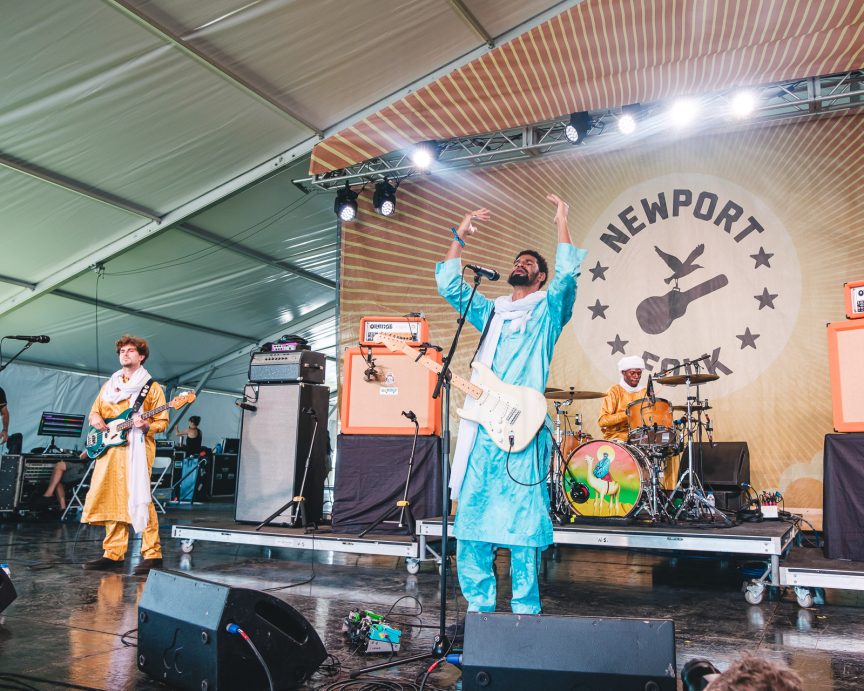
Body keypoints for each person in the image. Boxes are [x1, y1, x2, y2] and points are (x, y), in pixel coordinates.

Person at [435, 194, 586, 614]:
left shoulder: (548, 312)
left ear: (540, 278)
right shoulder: (493, 313)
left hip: (525, 430)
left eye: (529, 263)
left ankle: (524, 615)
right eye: (516, 260)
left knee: (522, 528)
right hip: (485, 433)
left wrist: (561, 221)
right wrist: (458, 236)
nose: (519, 264)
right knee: (473, 526)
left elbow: (569, 275)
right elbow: (450, 285)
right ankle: (479, 612)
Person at [81, 335, 168, 574]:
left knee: (140, 497)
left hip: (136, 449)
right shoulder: (109, 385)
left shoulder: (152, 387)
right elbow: (94, 412)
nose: (125, 354)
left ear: (141, 356)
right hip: (109, 450)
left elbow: (162, 422)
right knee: (111, 497)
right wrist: (96, 418)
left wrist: (145, 426)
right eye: (122, 351)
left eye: (131, 350)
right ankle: (113, 553)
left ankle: (152, 554)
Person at [598, 355, 647, 441]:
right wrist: (628, 414)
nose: (636, 376)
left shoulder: (644, 392)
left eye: (639, 373)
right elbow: (602, 421)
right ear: (623, 373)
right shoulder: (614, 391)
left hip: (639, 435)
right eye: (632, 373)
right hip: (616, 436)